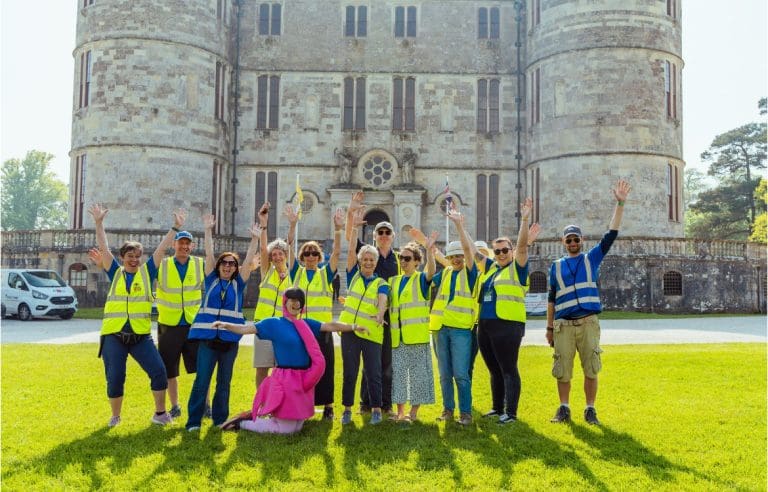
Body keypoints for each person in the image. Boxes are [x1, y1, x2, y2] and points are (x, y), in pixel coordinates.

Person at [215, 288, 369, 433]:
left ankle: (263, 418)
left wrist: (354, 326)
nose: (295, 303)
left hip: (302, 379)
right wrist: (225, 325)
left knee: (297, 427)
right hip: (285, 379)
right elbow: (245, 329)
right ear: (285, 302)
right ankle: (242, 423)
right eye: (292, 300)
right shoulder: (274, 323)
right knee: (286, 429)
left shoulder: (306, 324)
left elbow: (330, 325)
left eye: (299, 300)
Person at [547, 179, 631, 426]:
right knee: (562, 368)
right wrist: (549, 328)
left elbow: (611, 234)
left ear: (581, 240)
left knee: (591, 367)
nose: (573, 243)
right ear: (563, 242)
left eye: (576, 239)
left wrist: (620, 203)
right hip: (563, 325)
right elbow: (551, 299)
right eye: (569, 240)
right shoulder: (556, 266)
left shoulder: (591, 258)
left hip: (588, 323)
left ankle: (590, 409)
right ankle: (564, 408)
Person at [88, 203, 178, 428]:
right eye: (130, 255)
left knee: (159, 371)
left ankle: (160, 414)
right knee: (115, 377)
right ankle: (115, 416)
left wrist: (175, 228)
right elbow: (104, 247)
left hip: (140, 336)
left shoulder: (147, 272)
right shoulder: (115, 272)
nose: (134, 259)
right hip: (114, 335)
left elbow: (161, 249)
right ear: (122, 257)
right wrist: (99, 223)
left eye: (137, 256)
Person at [451, 198, 536, 424]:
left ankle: (511, 412)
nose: (501, 254)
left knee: (508, 368)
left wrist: (525, 219)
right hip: (486, 325)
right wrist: (460, 226)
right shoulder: (490, 267)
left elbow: (523, 247)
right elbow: (471, 250)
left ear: (511, 251)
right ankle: (497, 408)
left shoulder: (517, 268)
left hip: (508, 325)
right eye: (497, 251)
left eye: (505, 250)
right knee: (494, 369)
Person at [184, 214, 260, 431]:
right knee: (202, 381)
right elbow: (209, 254)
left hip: (229, 340)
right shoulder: (211, 280)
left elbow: (248, 261)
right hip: (208, 339)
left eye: (231, 264)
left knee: (224, 383)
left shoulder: (239, 284)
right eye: (224, 263)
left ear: (236, 268)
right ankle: (193, 422)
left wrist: (255, 238)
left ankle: (219, 420)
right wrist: (208, 230)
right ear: (219, 266)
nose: (227, 266)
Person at [286, 205, 345, 420]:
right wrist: (293, 225)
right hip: (301, 329)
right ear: (303, 256)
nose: (310, 256)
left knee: (325, 368)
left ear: (319, 257)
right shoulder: (296, 272)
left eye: (314, 253)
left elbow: (336, 253)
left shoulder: (325, 274)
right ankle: (305, 403)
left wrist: (338, 229)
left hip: (322, 329)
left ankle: (328, 406)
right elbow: (289, 246)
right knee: (303, 367)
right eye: (307, 253)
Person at [346, 191, 400, 416]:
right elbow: (350, 240)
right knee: (367, 362)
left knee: (386, 362)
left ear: (393, 236)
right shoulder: (368, 254)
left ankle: (385, 404)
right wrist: (351, 213)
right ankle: (365, 403)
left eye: (387, 232)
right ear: (374, 236)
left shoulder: (400, 258)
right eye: (380, 232)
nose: (384, 235)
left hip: (390, 317)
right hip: (367, 316)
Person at [339, 207, 390, 425]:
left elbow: (383, 299)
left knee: (373, 373)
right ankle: (347, 410)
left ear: (376, 263)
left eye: (372, 260)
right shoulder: (353, 275)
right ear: (360, 261)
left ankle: (376, 409)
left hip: (372, 332)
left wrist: (380, 313)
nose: (368, 262)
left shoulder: (381, 283)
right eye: (365, 259)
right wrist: (354, 228)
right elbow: (351, 250)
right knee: (350, 372)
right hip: (350, 331)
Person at [428, 226, 478, 426]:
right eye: (452, 256)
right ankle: (448, 410)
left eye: (459, 256)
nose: (456, 259)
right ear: (448, 259)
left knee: (461, 374)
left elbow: (469, 250)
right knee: (444, 374)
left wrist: (459, 226)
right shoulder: (446, 273)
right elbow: (427, 279)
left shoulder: (471, 273)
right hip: (440, 329)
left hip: (460, 330)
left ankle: (465, 413)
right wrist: (429, 250)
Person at [155, 227, 205, 420]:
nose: (184, 246)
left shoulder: (199, 264)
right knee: (170, 369)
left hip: (194, 324)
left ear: (192, 246)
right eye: (180, 243)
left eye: (187, 243)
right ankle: (175, 406)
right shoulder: (163, 264)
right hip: (169, 325)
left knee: (202, 367)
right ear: (174, 245)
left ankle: (205, 405)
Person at [388, 237, 438, 423]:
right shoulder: (393, 281)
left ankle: (414, 412)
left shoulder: (422, 279)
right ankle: (400, 412)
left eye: (407, 258)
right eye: (401, 257)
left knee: (418, 377)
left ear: (417, 261)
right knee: (398, 377)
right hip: (397, 338)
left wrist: (429, 251)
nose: (403, 261)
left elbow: (431, 271)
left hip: (417, 337)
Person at [252, 202, 291, 389]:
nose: (276, 257)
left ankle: (278, 400)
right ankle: (260, 401)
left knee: (281, 368)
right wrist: (264, 224)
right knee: (262, 368)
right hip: (264, 325)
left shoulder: (293, 276)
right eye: (273, 254)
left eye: (280, 254)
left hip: (284, 327)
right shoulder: (267, 271)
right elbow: (262, 250)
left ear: (286, 255)